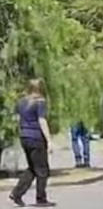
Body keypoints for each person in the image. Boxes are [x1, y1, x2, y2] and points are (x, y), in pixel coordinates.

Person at [10, 79, 55, 207]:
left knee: (32, 168)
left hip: (25, 137)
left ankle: (17, 193)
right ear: (41, 89)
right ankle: (41, 199)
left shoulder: (21, 102)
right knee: (42, 170)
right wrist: (49, 140)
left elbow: (16, 118)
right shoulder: (40, 102)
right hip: (36, 138)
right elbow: (42, 121)